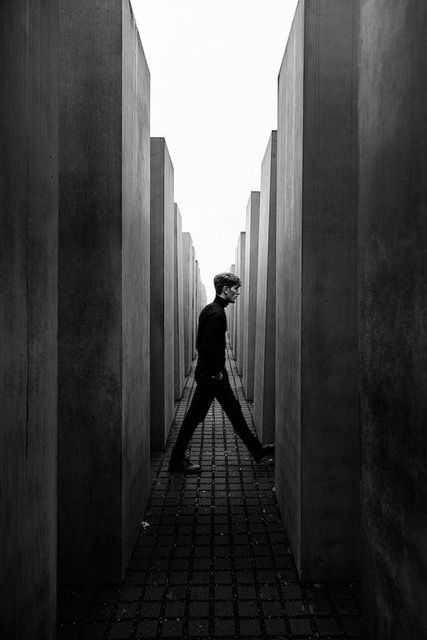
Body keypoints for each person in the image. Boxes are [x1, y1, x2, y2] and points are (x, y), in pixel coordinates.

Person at [169, 272, 275, 473]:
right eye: (236, 289)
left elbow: (201, 344)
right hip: (212, 377)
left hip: (212, 374)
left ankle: (257, 450)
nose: (238, 293)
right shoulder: (217, 314)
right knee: (194, 417)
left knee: (235, 412)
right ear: (225, 290)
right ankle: (176, 461)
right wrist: (216, 372)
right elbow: (208, 347)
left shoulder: (210, 309)